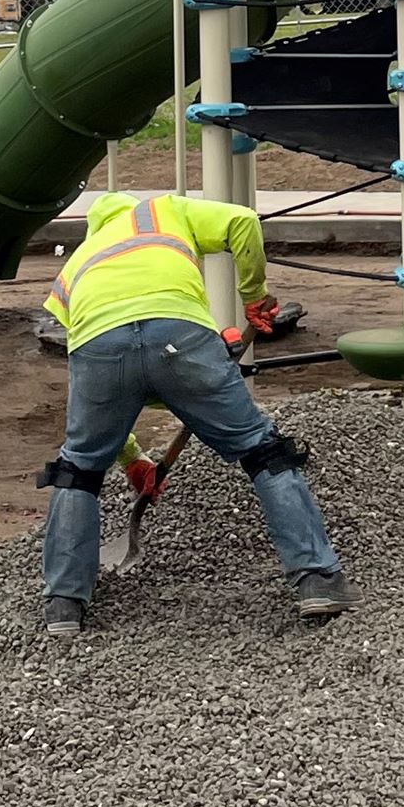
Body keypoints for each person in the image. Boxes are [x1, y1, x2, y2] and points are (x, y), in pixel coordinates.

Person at [35, 188, 346, 639]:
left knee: (79, 469)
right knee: (264, 453)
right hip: (181, 336)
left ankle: (63, 605)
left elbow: (110, 382)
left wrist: (131, 458)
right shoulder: (165, 211)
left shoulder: (76, 265)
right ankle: (317, 579)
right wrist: (254, 298)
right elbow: (243, 221)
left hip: (97, 348)